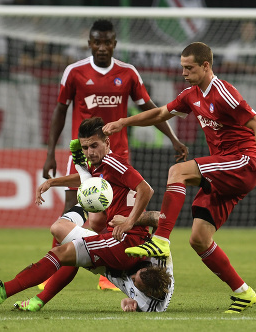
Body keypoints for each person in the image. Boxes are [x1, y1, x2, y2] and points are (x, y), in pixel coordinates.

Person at [103, 42, 256, 313]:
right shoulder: (191, 95)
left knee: (178, 171)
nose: (183, 72)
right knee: (198, 238)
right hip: (223, 170)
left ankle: (160, 239)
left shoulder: (223, 93)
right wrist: (125, 122)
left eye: (189, 67)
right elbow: (161, 113)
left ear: (206, 66)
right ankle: (244, 292)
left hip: (243, 163)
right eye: (182, 67)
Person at [41, 19, 187, 291]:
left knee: (113, 215)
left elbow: (152, 109)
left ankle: (107, 273)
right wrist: (50, 153)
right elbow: (60, 110)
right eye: (97, 41)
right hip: (83, 156)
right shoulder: (74, 72)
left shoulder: (128, 73)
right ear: (90, 43)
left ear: (114, 44)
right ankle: (53, 269)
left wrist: (173, 138)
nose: (102, 47)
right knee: (70, 209)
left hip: (116, 156)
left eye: (107, 42)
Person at [0, 117, 174, 312]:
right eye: (85, 148)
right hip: (118, 240)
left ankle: (4, 290)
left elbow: (146, 189)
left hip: (127, 242)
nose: (90, 152)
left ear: (107, 142)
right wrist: (52, 182)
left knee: (62, 253)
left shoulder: (113, 162)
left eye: (94, 146)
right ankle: (36, 300)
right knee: (62, 235)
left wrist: (130, 222)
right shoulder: (101, 166)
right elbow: (86, 181)